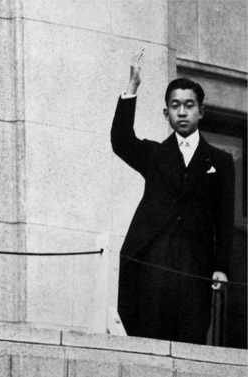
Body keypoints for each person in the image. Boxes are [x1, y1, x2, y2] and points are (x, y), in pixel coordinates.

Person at [111, 48, 235, 344]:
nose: (182, 111)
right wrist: (133, 87)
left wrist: (221, 268)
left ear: (201, 111)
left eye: (189, 105)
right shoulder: (155, 154)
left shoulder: (220, 160)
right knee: (149, 337)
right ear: (166, 113)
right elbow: (121, 140)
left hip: (195, 265)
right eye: (175, 105)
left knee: (189, 337)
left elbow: (225, 218)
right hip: (154, 261)